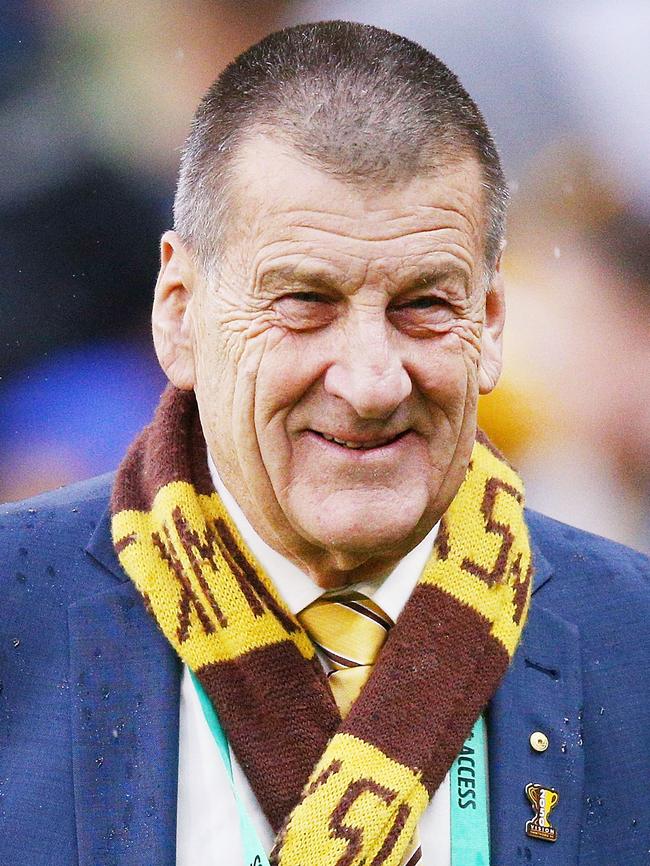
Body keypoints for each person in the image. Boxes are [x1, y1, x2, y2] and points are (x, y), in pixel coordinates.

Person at [1, 21, 648, 866]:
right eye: (305, 300)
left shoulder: (633, 646)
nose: (373, 382)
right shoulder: (16, 624)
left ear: (490, 323)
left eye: (424, 304)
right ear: (179, 310)